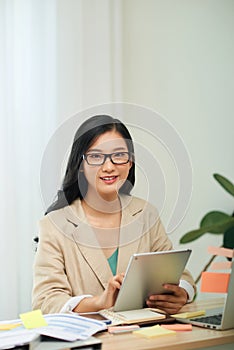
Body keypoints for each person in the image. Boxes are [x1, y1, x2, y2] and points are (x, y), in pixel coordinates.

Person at [32, 115, 196, 315]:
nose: (109, 166)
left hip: (146, 338)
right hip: (90, 342)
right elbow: (45, 301)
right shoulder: (54, 224)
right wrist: (99, 302)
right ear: (81, 165)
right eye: (95, 156)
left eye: (119, 155)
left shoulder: (146, 214)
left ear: (130, 162)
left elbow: (182, 277)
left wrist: (181, 294)